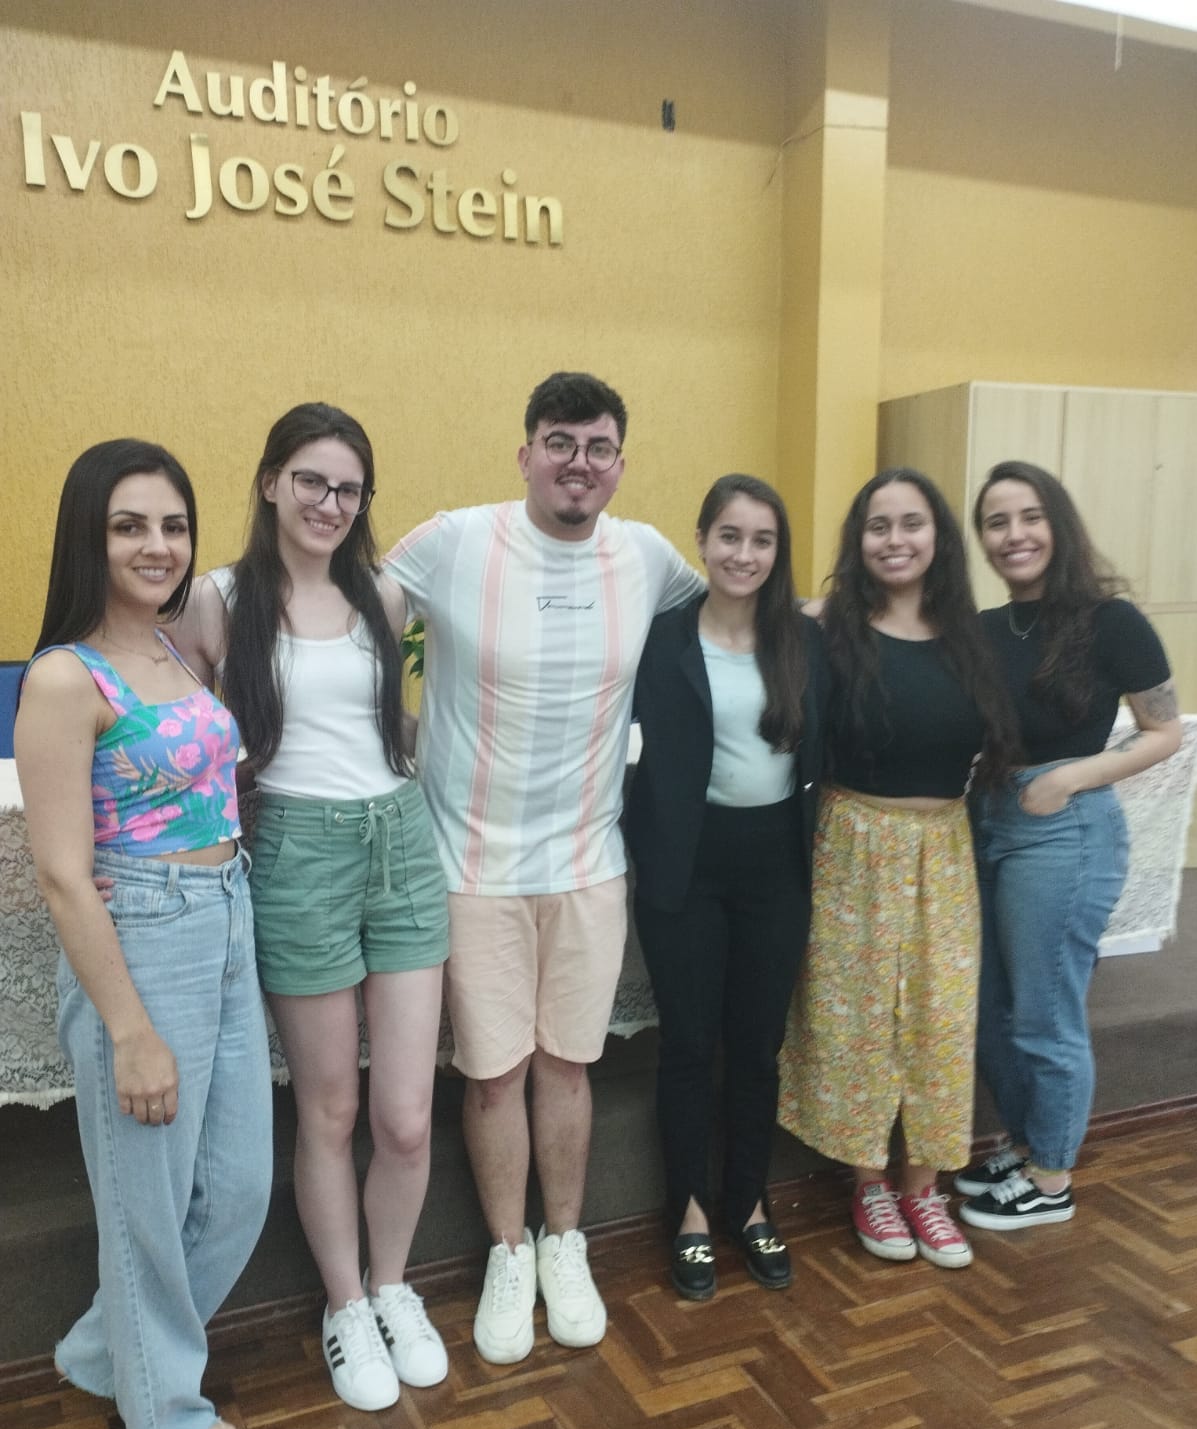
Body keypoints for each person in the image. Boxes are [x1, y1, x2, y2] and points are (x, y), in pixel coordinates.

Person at [381, 371, 704, 1365]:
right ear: (524, 454)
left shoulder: (646, 555)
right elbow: (345, 622)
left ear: (619, 464)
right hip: (471, 865)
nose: (578, 462)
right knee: (493, 1075)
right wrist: (393, 734)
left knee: (568, 1065)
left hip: (589, 863)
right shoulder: (455, 542)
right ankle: (508, 1253)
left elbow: (737, 617)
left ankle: (565, 1243)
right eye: (559, 442)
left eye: (598, 446)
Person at [172, 403, 449, 1411]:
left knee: (405, 1115)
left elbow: (398, 719)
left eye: (349, 489)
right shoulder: (218, 601)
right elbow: (171, 731)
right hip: (297, 853)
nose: (331, 503)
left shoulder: (387, 594)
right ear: (270, 483)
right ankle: (345, 1305)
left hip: (401, 843)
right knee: (330, 1108)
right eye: (312, 481)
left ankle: (393, 1285)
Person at [15, 440, 272, 1429]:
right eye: (130, 525)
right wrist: (128, 1030)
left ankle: (100, 1351)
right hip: (145, 940)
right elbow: (63, 874)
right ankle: (163, 1414)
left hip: (226, 919)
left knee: (240, 1184)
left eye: (172, 524)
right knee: (147, 1202)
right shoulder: (62, 677)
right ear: (90, 536)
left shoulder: (175, 652)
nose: (157, 545)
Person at [777, 469, 1017, 1269]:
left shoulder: (971, 639)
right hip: (853, 841)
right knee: (857, 1018)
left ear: (938, 537)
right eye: (878, 526)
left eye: (912, 523)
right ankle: (869, 1183)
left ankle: (925, 1188)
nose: (895, 540)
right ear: (859, 540)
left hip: (942, 848)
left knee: (941, 1020)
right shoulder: (827, 630)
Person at [956, 461, 1181, 1230]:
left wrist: (1072, 777)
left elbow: (1164, 733)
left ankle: (1051, 1180)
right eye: (996, 522)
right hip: (988, 820)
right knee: (991, 1010)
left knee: (1044, 1015)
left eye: (1029, 517)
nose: (1013, 535)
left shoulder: (1109, 621)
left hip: (1065, 829)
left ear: (1057, 523)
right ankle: (1028, 1147)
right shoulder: (986, 628)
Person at [626, 474, 828, 1299]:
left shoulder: (804, 642)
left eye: (762, 540)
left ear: (779, 552)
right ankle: (689, 1213)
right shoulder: (661, 639)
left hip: (776, 865)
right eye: (730, 536)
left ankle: (749, 1203)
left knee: (756, 1045)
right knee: (688, 1043)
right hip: (686, 864)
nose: (745, 554)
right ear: (703, 541)